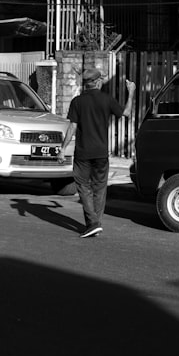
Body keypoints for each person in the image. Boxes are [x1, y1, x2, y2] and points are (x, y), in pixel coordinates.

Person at [61, 68, 135, 238]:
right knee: (100, 188)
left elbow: (72, 127)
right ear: (98, 82)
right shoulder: (106, 99)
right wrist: (131, 92)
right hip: (101, 152)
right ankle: (96, 223)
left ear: (86, 84)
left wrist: (63, 149)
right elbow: (126, 113)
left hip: (83, 153)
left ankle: (93, 223)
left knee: (82, 186)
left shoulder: (77, 102)